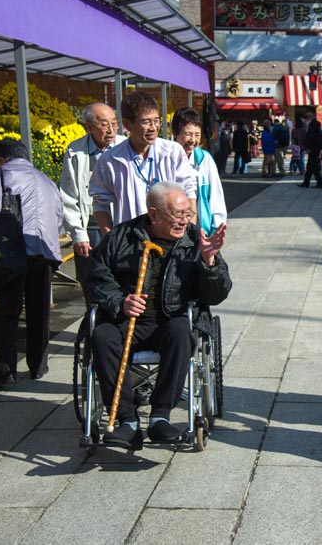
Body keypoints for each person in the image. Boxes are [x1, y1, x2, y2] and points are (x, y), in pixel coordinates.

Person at [85, 181, 231, 448]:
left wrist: (209, 262)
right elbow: (95, 277)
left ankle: (160, 417)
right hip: (124, 321)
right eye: (177, 215)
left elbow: (217, 295)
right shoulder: (121, 237)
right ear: (153, 214)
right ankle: (127, 420)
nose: (184, 221)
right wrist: (120, 302)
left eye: (188, 214)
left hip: (168, 320)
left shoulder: (194, 240)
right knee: (101, 336)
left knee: (181, 333)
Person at [0, 138, 63, 386]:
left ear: (2, 158)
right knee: (39, 311)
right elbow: (58, 218)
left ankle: (6, 372)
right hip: (45, 251)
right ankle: (38, 366)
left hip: (14, 250)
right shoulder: (46, 179)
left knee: (8, 310)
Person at [89, 91, 197, 234]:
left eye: (156, 121)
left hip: (170, 239)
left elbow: (189, 192)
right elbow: (100, 205)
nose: (153, 128)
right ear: (127, 124)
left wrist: (189, 234)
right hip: (129, 242)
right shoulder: (110, 160)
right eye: (145, 122)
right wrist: (112, 240)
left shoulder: (172, 152)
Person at [60, 102, 125, 287]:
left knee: (121, 280)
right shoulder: (75, 151)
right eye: (104, 124)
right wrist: (78, 234)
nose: (111, 129)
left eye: (114, 123)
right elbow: (68, 196)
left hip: (119, 224)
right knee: (92, 282)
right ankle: (93, 314)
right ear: (89, 127)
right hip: (90, 227)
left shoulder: (125, 147)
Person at [172, 107, 227, 236]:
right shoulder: (166, 159)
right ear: (175, 133)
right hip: (173, 232)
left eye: (197, 134)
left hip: (202, 232)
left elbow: (216, 196)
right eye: (188, 134)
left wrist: (216, 228)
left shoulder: (204, 160)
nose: (193, 140)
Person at [298, 109, 322, 188]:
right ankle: (307, 182)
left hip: (313, 148)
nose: (307, 114)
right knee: (310, 166)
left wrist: (309, 147)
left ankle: (318, 182)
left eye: (308, 112)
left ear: (312, 113)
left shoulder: (315, 123)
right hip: (313, 147)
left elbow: (313, 137)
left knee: (313, 166)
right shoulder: (309, 123)